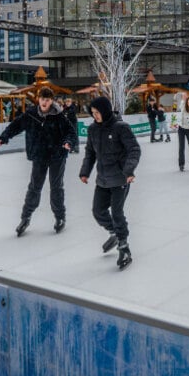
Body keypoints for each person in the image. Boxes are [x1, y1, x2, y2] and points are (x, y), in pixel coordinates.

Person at [0, 87, 75, 236]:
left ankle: (60, 218)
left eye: (47, 100)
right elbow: (16, 125)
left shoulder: (59, 115)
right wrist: (4, 137)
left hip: (57, 155)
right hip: (39, 155)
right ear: (38, 100)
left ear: (51, 101)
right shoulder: (31, 114)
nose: (45, 102)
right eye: (42, 99)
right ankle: (25, 218)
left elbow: (71, 132)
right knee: (34, 187)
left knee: (56, 187)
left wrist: (68, 142)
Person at [79, 96, 141, 270]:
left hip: (121, 178)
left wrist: (129, 170)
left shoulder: (121, 127)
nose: (95, 116)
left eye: (97, 112)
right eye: (93, 113)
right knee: (98, 211)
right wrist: (85, 172)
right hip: (103, 179)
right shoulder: (92, 129)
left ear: (105, 111)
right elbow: (90, 153)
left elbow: (134, 149)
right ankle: (114, 232)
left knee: (117, 212)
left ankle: (123, 246)